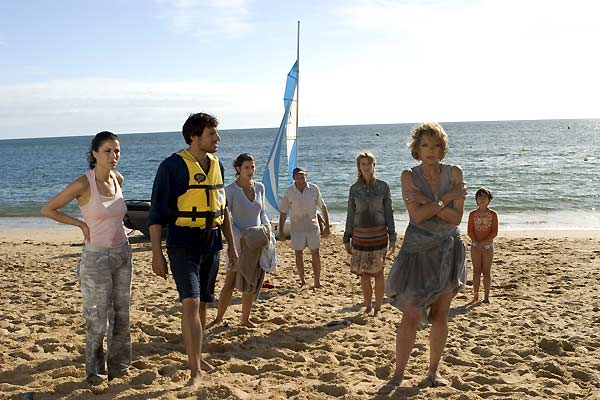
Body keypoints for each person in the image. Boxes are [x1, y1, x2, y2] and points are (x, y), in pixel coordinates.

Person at [148, 112, 237, 388]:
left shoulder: (217, 164)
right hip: (181, 241)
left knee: (202, 304)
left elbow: (222, 208)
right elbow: (156, 215)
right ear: (193, 137)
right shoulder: (171, 167)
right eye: (212, 134)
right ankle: (195, 370)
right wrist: (156, 253)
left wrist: (232, 247)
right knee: (189, 302)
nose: (217, 138)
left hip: (211, 241)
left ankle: (196, 356)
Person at [41, 131, 132, 385]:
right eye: (108, 151)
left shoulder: (118, 179)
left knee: (122, 315)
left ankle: (120, 367)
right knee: (96, 318)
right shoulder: (84, 183)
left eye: (117, 151)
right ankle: (95, 373)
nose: (114, 156)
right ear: (94, 153)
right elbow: (48, 209)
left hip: (123, 254)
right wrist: (80, 225)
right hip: (96, 258)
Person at [385, 122, 467, 387]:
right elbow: (416, 217)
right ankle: (398, 374)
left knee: (441, 314)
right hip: (417, 252)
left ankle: (433, 372)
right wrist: (445, 200)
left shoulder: (455, 172)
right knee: (410, 313)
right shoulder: (408, 176)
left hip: (447, 250)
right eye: (425, 145)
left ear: (442, 148)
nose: (431, 150)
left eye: (435, 145)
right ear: (417, 149)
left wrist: (428, 203)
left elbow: (455, 219)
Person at [208, 153, 271, 328]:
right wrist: (241, 236)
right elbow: (226, 219)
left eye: (252, 167)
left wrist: (267, 229)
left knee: (251, 280)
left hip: (257, 241)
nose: (250, 171)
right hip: (238, 243)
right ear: (238, 169)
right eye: (246, 167)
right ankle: (219, 318)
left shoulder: (260, 187)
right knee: (230, 281)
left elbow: (263, 213)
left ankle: (245, 319)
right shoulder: (230, 190)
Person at [343, 152, 396, 316]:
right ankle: (367, 305)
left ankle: (378, 307)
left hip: (379, 237)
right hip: (360, 238)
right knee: (364, 273)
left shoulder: (383, 187)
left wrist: (392, 236)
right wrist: (347, 236)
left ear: (374, 165)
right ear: (359, 167)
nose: (366, 166)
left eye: (368, 163)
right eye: (363, 163)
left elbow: (389, 212)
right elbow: (350, 214)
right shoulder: (354, 189)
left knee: (379, 272)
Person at [278, 167, 330, 288]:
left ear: (306, 176)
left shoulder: (313, 189)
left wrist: (327, 226)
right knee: (298, 254)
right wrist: (280, 230)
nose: (301, 180)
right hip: (297, 228)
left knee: (315, 253)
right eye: (298, 177)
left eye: (303, 177)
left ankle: (317, 281)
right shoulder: (289, 191)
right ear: (294, 178)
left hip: (312, 226)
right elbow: (283, 212)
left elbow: (323, 207)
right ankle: (302, 281)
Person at [467, 187, 498, 304]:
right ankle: (475, 295)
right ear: (476, 199)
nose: (482, 199)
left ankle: (486, 297)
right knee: (476, 271)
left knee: (486, 272)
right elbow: (470, 231)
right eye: (480, 196)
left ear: (489, 200)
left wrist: (484, 243)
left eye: (485, 197)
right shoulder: (472, 214)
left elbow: (494, 232)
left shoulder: (493, 214)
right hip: (475, 246)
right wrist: (477, 243)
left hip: (488, 247)